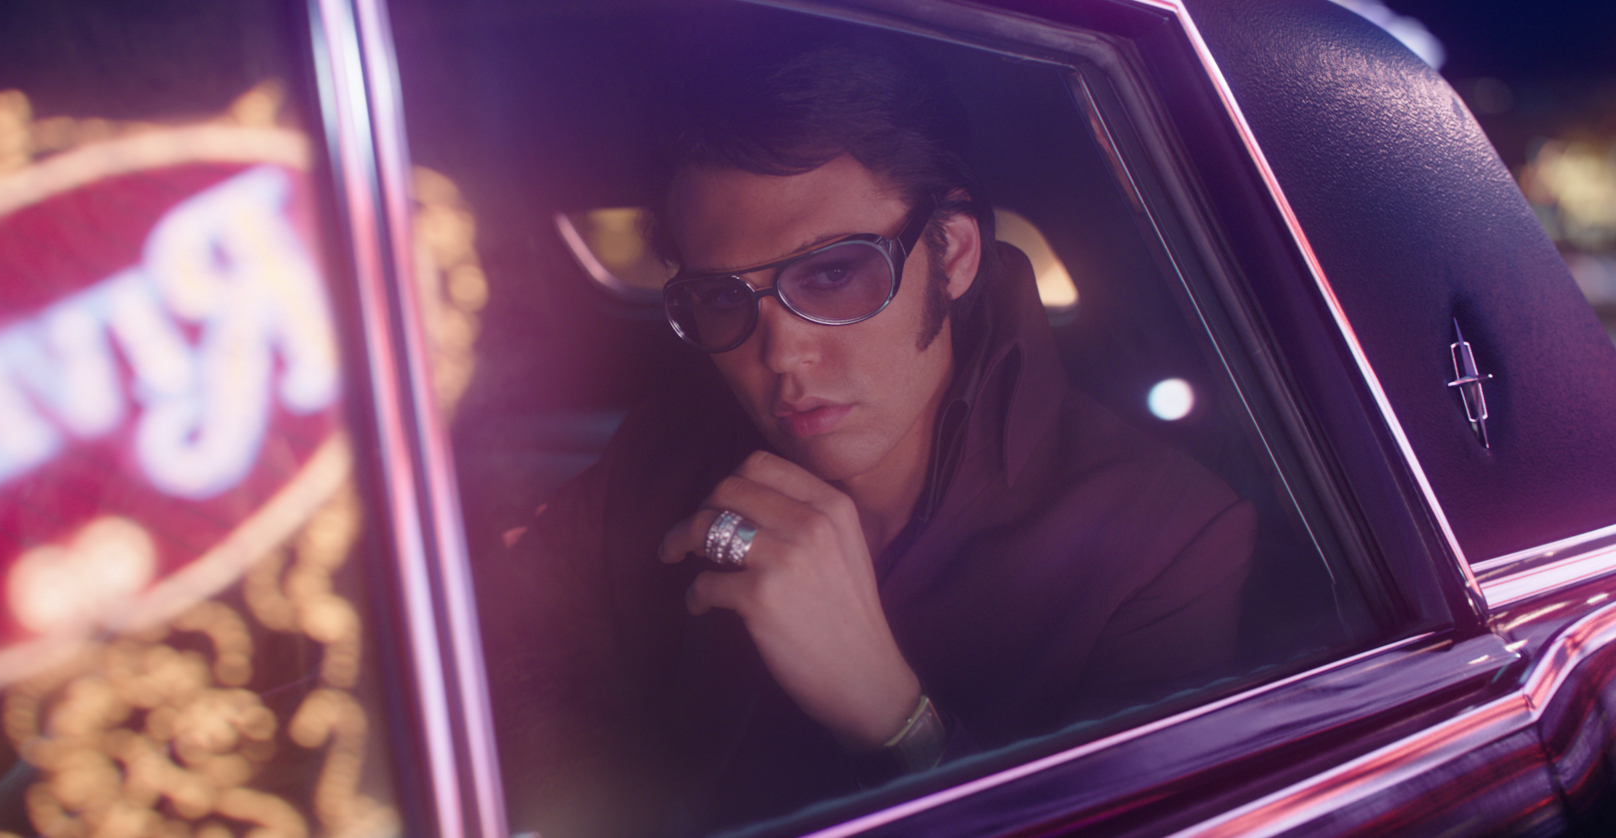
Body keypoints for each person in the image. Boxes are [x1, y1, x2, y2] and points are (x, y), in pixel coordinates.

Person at [475, 33, 1255, 837]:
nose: (780, 355)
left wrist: (896, 719)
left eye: (833, 273)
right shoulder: (667, 442)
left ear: (950, 253)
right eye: (723, 298)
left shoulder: (1168, 540)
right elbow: (501, 653)